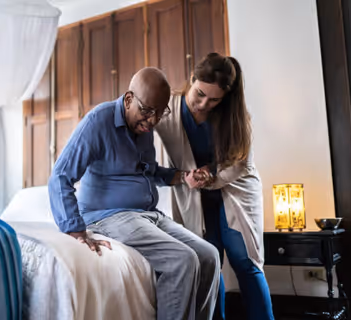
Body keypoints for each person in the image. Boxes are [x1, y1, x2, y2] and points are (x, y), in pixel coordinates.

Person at [48, 67, 220, 320]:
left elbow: (149, 172)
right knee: (182, 260)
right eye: (147, 111)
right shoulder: (98, 122)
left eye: (160, 113)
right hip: (108, 216)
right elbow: (60, 176)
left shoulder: (143, 129)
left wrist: (183, 176)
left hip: (147, 214)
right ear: (129, 99)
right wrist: (75, 230)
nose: (152, 121)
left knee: (209, 256)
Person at [155, 53, 274, 320]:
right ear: (192, 79)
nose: (204, 104)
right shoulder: (168, 110)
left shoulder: (234, 117)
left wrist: (209, 174)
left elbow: (240, 163)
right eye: (200, 94)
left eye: (214, 100)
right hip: (193, 193)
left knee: (245, 261)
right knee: (209, 262)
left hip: (235, 190)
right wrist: (184, 177)